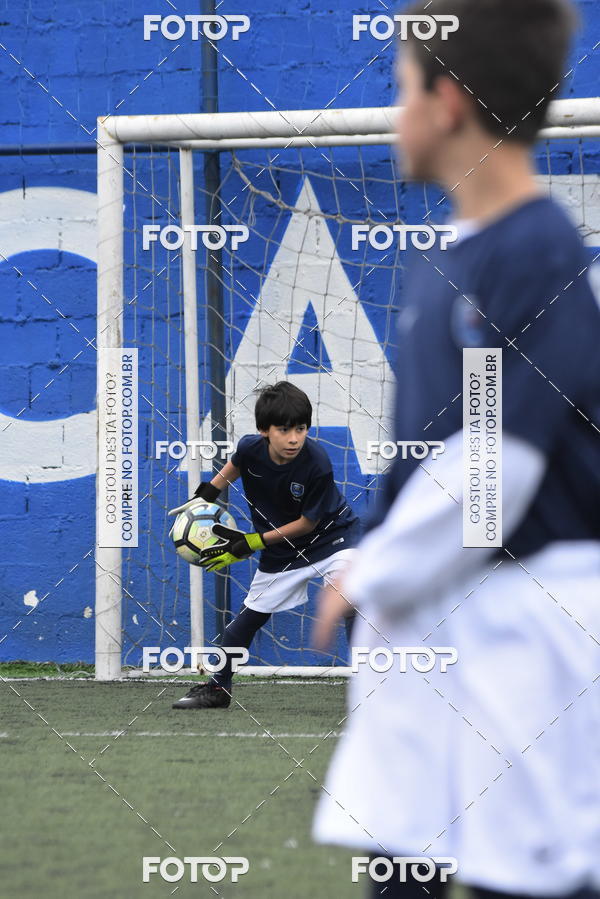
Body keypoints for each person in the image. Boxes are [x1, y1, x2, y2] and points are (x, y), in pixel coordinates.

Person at [312, 1, 600, 897]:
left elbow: (497, 468)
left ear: (448, 103)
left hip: (529, 629)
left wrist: (371, 569)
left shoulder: (539, 253)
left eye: (402, 87)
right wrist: (375, 553)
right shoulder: (449, 258)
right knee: (400, 860)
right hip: (430, 623)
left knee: (535, 875)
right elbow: (435, 450)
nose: (392, 112)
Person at [171, 381, 360, 709]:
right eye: (284, 430)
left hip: (334, 539)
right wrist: (205, 497)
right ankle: (218, 689)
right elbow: (233, 467)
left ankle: (372, 687)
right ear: (264, 431)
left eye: (301, 429)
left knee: (350, 600)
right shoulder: (250, 448)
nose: (294, 438)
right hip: (283, 553)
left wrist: (252, 542)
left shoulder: (317, 462)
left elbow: (307, 523)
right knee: (242, 625)